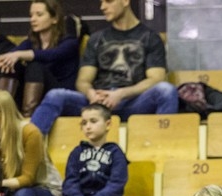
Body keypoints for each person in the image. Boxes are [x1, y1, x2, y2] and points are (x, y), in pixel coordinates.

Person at [29, 0, 178, 137]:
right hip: (97, 103)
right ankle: (29, 147)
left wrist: (121, 94)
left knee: (166, 90)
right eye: (101, 2)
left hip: (132, 102)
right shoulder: (97, 38)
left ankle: (163, 146)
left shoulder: (151, 37)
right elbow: (83, 81)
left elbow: (156, 78)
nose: (102, 7)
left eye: (108, 1)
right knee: (56, 95)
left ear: (125, 1)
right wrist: (91, 94)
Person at [0, 0, 81, 116]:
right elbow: (11, 55)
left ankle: (28, 116)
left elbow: (52, 54)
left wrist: (20, 54)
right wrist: (6, 58)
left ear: (54, 19)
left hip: (60, 95)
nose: (33, 19)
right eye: (31, 15)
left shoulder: (69, 42)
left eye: (39, 15)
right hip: (34, 93)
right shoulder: (30, 42)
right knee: (12, 65)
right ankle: (1, 113)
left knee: (35, 66)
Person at [56, 103, 128, 196]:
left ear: (108, 124)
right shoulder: (77, 152)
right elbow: (70, 181)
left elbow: (117, 183)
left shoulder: (116, 152)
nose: (88, 127)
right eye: (84, 123)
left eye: (93, 121)